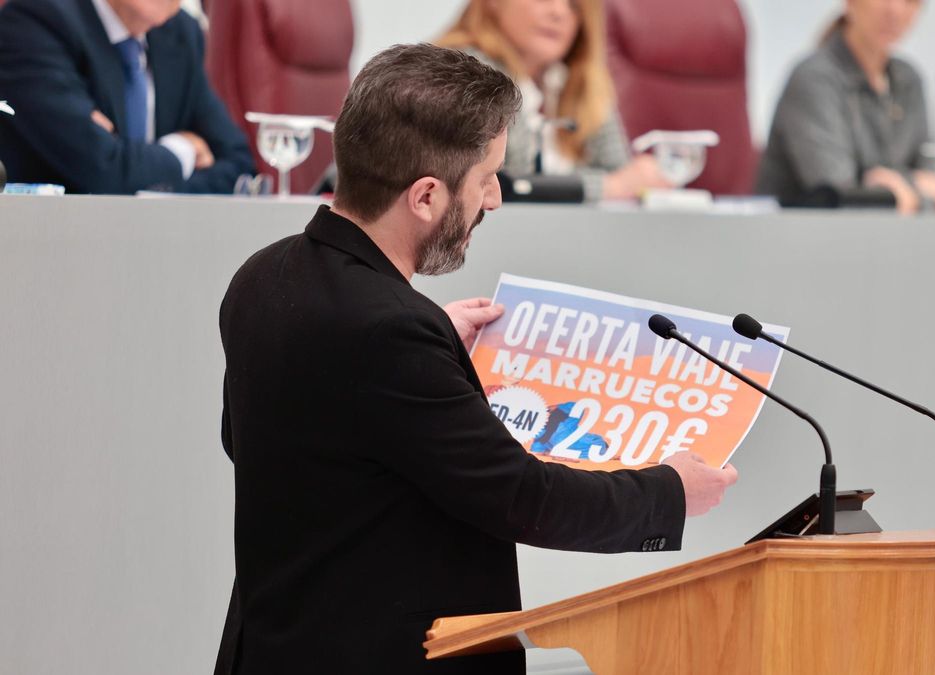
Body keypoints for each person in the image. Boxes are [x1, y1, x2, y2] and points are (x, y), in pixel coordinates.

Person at [213, 44, 737, 674]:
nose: (493, 199)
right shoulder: (388, 331)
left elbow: (255, 440)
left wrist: (432, 354)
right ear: (427, 195)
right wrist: (670, 493)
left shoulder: (264, 275)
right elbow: (525, 499)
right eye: (486, 176)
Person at [0, 0, 253, 194]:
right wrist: (183, 151)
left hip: (160, 240)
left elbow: (239, 165)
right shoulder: (34, 21)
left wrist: (151, 185)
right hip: (56, 241)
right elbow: (102, 171)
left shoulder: (181, 33)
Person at [437, 0, 670, 201]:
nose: (559, 12)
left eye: (573, 5)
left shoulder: (580, 81)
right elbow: (508, 183)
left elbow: (620, 170)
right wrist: (610, 187)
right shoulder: (463, 71)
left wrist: (626, 182)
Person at [755, 0, 935, 214]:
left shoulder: (908, 80)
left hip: (886, 239)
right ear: (850, 3)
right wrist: (905, 189)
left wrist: (896, 186)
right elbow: (839, 193)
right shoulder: (814, 79)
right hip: (805, 237)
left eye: (909, 1)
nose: (894, 10)